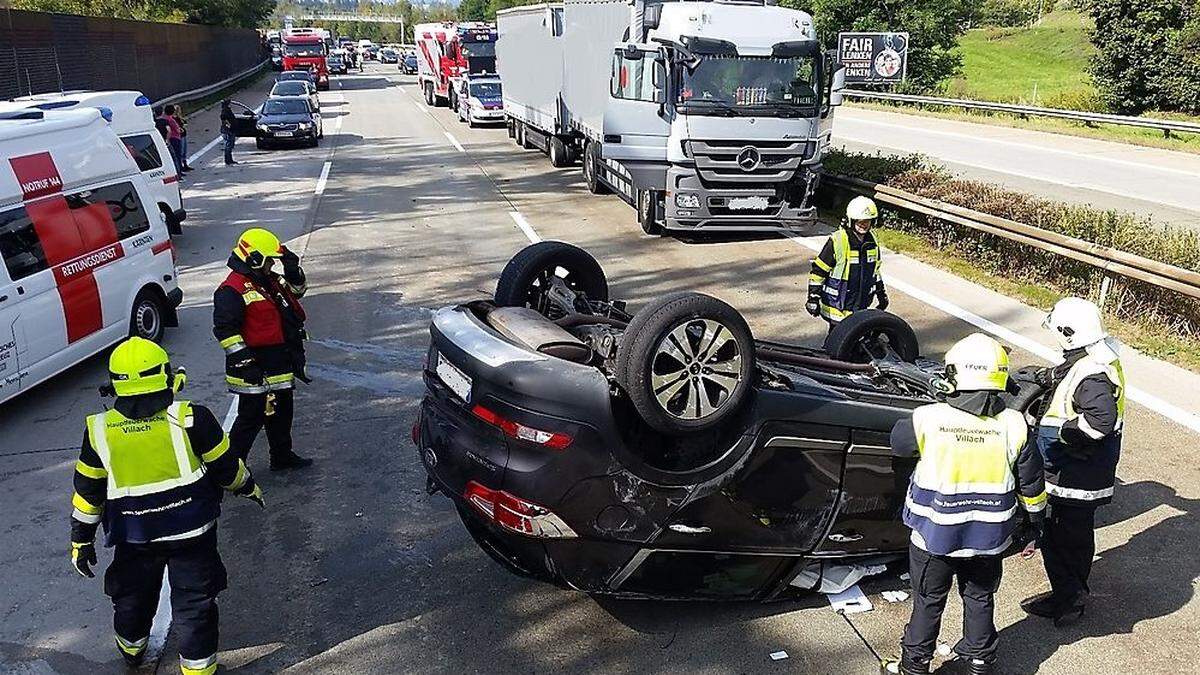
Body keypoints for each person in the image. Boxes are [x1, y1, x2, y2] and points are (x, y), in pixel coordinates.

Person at [69, 337, 263, 674]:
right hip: (192, 536)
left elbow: (88, 492)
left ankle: (131, 649)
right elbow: (227, 469)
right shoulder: (192, 418)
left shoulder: (98, 430)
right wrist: (247, 487)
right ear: (165, 375)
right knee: (194, 605)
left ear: (115, 383)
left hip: (133, 538)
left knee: (131, 598)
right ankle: (199, 669)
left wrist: (81, 540)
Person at [887, 333, 1047, 675]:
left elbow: (899, 445)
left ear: (954, 375)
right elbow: (1031, 482)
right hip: (989, 538)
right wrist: (1036, 521)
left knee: (928, 601)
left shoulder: (928, 417)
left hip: (934, 536)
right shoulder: (1014, 424)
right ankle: (978, 662)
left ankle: (914, 666)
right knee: (979, 598)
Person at [1022, 297, 1124, 625]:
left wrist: (1064, 435)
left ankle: (1070, 600)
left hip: (1075, 474)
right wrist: (1048, 376)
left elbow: (1100, 420)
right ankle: (1068, 592)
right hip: (1082, 471)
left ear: (1069, 333)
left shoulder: (1092, 374)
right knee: (1070, 538)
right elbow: (1072, 373)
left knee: (1063, 540)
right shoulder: (1096, 356)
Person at [213, 228, 313, 471]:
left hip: (279, 362)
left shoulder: (270, 281)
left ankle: (282, 456)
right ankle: (231, 469)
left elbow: (297, 293)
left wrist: (292, 270)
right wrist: (247, 363)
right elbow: (226, 331)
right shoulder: (232, 289)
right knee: (251, 418)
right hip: (254, 366)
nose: (272, 264)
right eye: (269, 260)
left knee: (282, 413)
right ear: (254, 259)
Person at [807, 196, 889, 327]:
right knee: (836, 343)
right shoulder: (838, 240)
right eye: (860, 221)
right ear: (851, 220)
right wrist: (813, 298)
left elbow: (875, 271)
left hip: (860, 306)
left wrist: (881, 294)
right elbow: (819, 271)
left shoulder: (872, 242)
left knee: (857, 341)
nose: (864, 224)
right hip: (837, 308)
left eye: (867, 221)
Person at [160, 104, 184, 174]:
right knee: (177, 155)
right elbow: (178, 130)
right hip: (175, 138)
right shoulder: (171, 120)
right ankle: (179, 171)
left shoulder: (164, 118)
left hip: (168, 138)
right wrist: (181, 129)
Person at [172, 106, 192, 172]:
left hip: (183, 135)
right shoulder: (173, 119)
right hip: (179, 136)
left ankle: (185, 164)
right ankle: (180, 166)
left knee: (184, 151)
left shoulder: (180, 118)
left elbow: (184, 123)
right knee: (181, 151)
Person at [219, 99, 239, 166]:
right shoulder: (225, 110)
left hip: (229, 130)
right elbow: (224, 119)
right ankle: (228, 160)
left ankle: (230, 160)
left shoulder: (226, 110)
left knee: (230, 145)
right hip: (228, 131)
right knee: (228, 146)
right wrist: (229, 126)